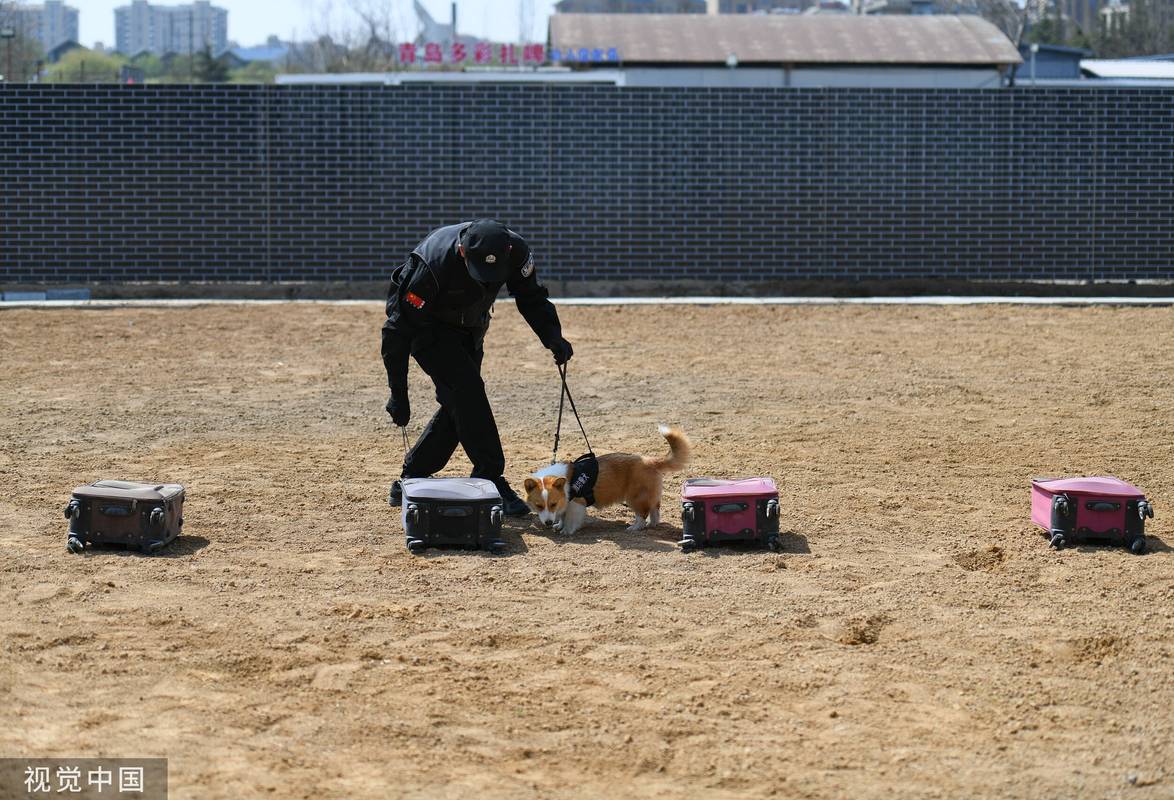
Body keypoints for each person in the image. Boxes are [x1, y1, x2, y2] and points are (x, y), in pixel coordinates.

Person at [381, 220, 573, 516]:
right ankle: (490, 476)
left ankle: (413, 474)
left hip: (471, 328)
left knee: (459, 404)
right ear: (461, 251)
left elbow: (531, 297)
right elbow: (396, 332)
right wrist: (398, 394)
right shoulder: (431, 265)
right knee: (468, 392)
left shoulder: (517, 252)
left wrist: (552, 336)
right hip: (428, 330)